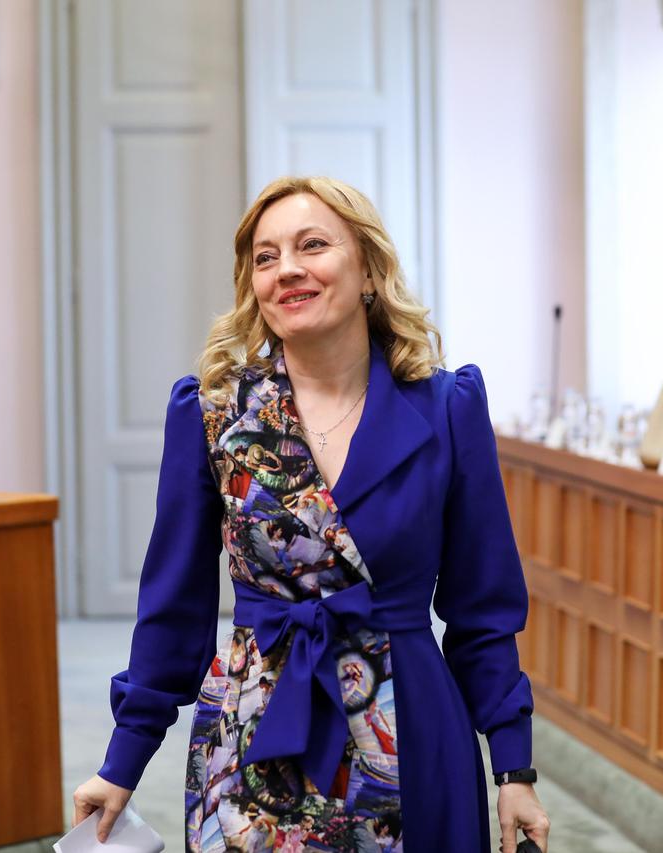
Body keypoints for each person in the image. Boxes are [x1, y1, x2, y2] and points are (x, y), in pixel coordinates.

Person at [71, 176, 549, 851]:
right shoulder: (213, 415)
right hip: (255, 734)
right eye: (265, 257)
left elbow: (482, 609)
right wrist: (122, 761)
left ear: (369, 270)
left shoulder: (446, 407)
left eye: (313, 245)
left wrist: (514, 766)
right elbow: (174, 609)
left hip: (410, 727)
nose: (287, 269)